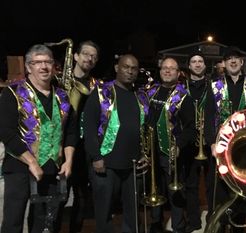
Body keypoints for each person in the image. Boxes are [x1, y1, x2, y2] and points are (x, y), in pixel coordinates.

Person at [0, 44, 77, 233]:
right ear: (28, 67)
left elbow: (71, 132)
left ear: (54, 66)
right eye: (37, 62)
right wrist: (31, 162)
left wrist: (68, 161)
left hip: (53, 168)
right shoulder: (12, 93)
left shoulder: (62, 96)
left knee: (45, 222)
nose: (44, 67)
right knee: (14, 221)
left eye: (48, 62)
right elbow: (6, 132)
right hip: (20, 167)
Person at [83, 54, 149, 233]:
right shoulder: (100, 92)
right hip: (105, 164)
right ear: (116, 68)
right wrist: (96, 157)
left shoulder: (140, 96)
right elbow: (88, 127)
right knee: (104, 213)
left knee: (132, 213)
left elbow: (143, 130)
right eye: (126, 67)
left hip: (133, 166)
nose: (130, 71)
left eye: (134, 68)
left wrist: (144, 154)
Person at [204, 46, 246, 226]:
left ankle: (238, 227)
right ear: (224, 64)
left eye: (237, 58)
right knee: (218, 193)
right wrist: (211, 143)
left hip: (244, 148)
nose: (233, 61)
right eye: (229, 59)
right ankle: (217, 226)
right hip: (220, 146)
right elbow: (209, 116)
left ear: (242, 62)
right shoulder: (214, 86)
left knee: (240, 193)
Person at [147, 57, 196, 233]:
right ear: (160, 72)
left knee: (175, 194)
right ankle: (155, 224)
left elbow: (191, 129)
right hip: (151, 153)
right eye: (164, 68)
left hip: (172, 154)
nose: (167, 71)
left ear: (178, 73)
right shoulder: (150, 93)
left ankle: (178, 227)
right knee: (154, 190)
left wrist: (179, 145)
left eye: (172, 69)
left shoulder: (184, 98)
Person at [67, 40, 100, 233]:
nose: (90, 58)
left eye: (94, 56)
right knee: (59, 197)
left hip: (85, 147)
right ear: (76, 56)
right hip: (63, 146)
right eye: (86, 53)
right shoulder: (60, 81)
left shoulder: (96, 86)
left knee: (81, 197)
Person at [182, 52, 211, 232]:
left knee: (210, 185)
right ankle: (194, 222)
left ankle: (211, 220)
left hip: (208, 143)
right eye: (194, 61)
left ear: (205, 66)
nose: (198, 64)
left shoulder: (213, 87)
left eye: (200, 61)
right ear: (189, 66)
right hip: (189, 143)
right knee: (191, 185)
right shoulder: (181, 88)